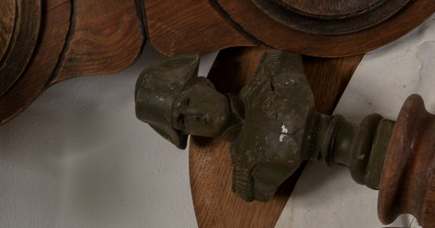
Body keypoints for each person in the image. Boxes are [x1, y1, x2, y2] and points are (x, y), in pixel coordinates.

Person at [135, 51, 317, 201]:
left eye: (188, 101)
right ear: (187, 132)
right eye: (182, 120)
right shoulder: (246, 174)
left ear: (203, 83)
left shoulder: (273, 70)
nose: (194, 115)